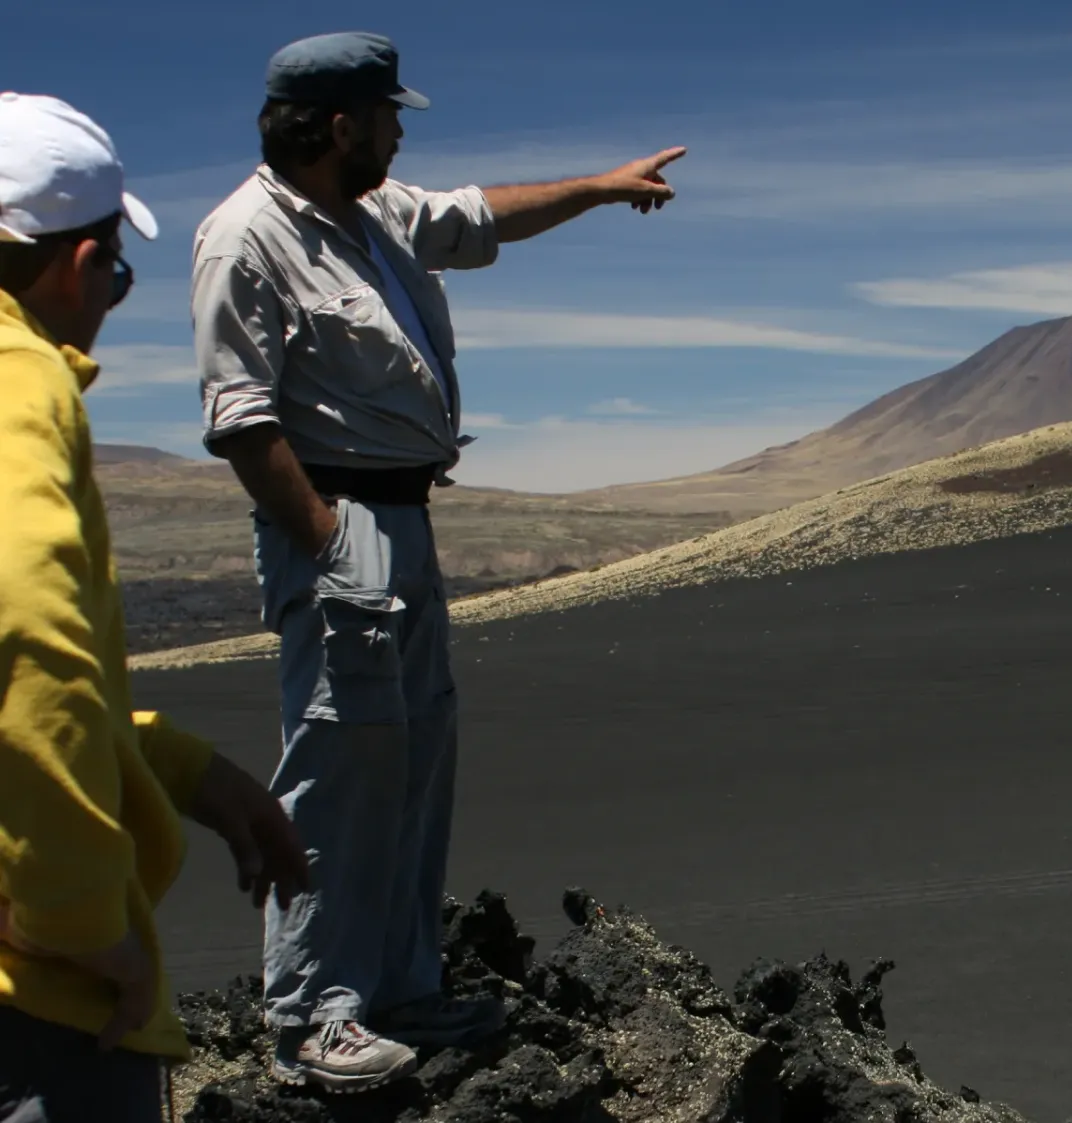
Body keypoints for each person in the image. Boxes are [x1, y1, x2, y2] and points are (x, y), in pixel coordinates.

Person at [189, 31, 686, 1092]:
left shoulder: (375, 215)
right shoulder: (245, 239)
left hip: (403, 521)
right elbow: (241, 420)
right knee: (339, 763)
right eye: (388, 115)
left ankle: (401, 985)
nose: (400, 132)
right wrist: (327, 542)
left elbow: (483, 213)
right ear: (341, 126)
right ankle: (312, 1015)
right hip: (340, 523)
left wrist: (601, 187)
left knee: (413, 759)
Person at [0, 92, 311, 1123]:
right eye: (118, 277)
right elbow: (24, 630)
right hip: (36, 1005)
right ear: (82, 264)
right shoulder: (17, 378)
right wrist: (83, 924)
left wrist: (168, 763)